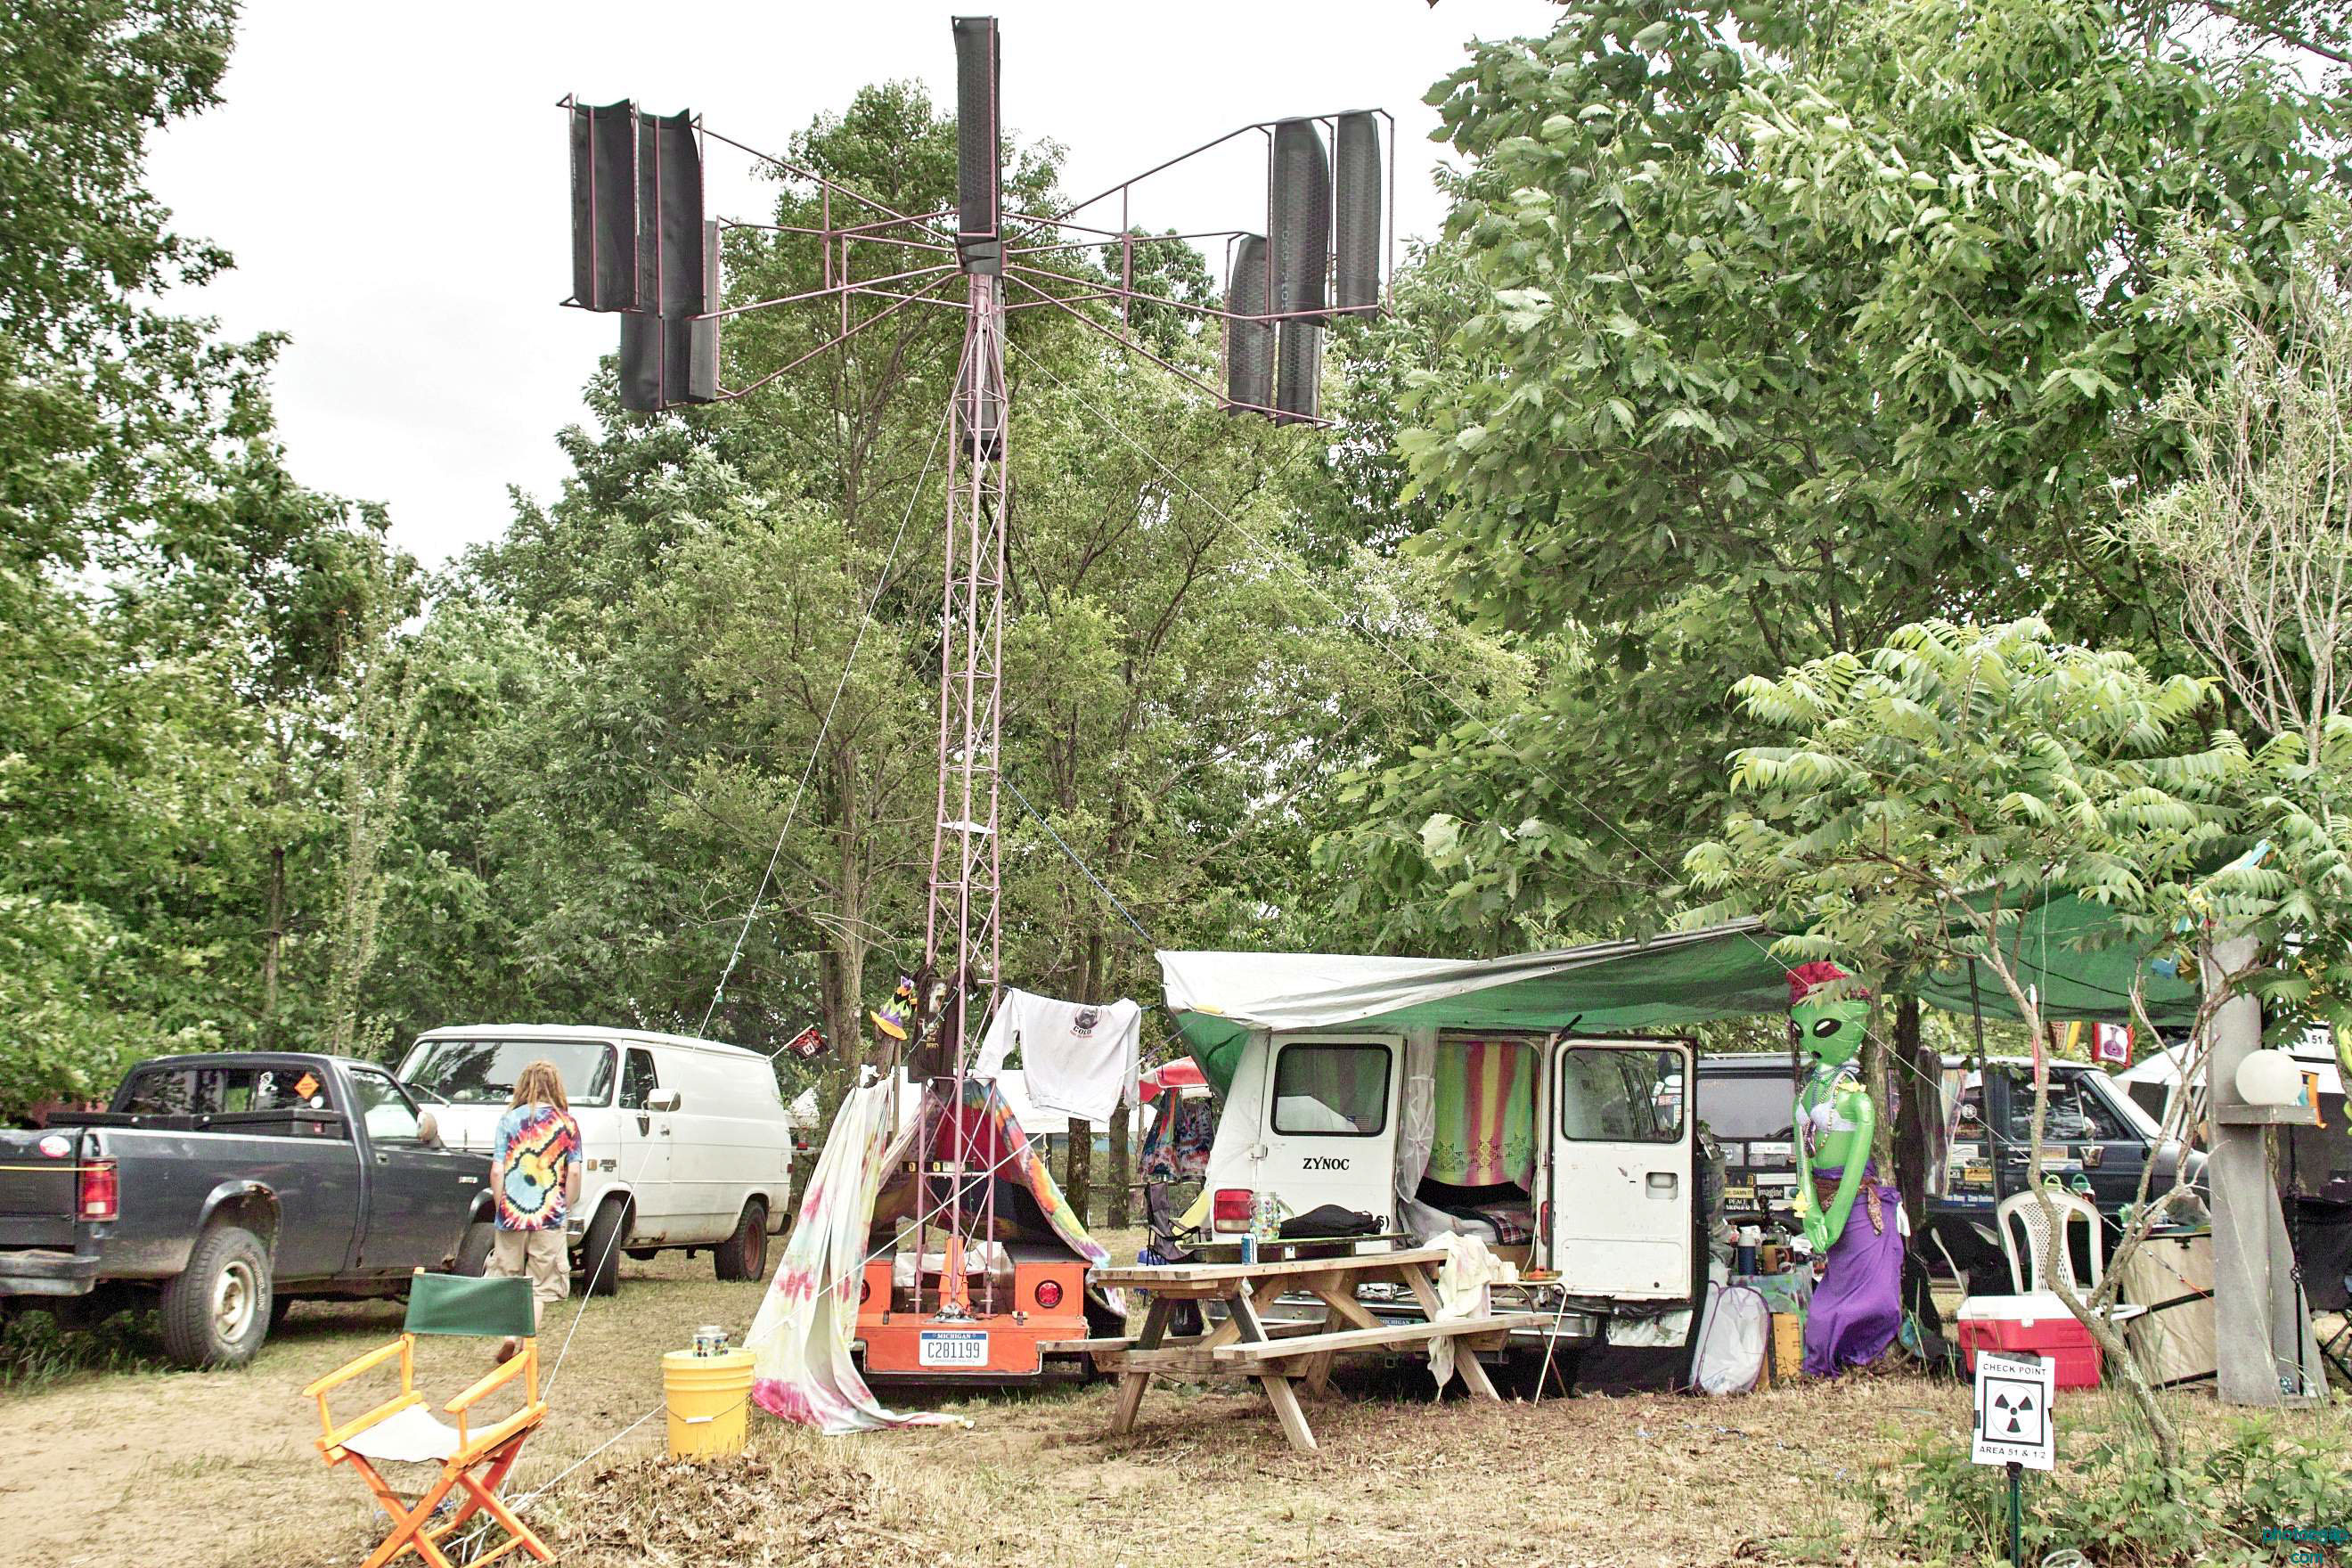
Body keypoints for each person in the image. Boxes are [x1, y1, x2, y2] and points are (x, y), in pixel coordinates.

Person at [489, 1058, 581, 1360]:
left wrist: (503, 1206)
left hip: (512, 1214)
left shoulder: (508, 1121)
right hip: (549, 1215)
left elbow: (497, 1171)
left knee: (509, 1277)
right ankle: (525, 1343)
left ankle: (508, 1336)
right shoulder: (567, 1124)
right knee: (540, 1284)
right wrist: (565, 1205)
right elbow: (574, 1172)